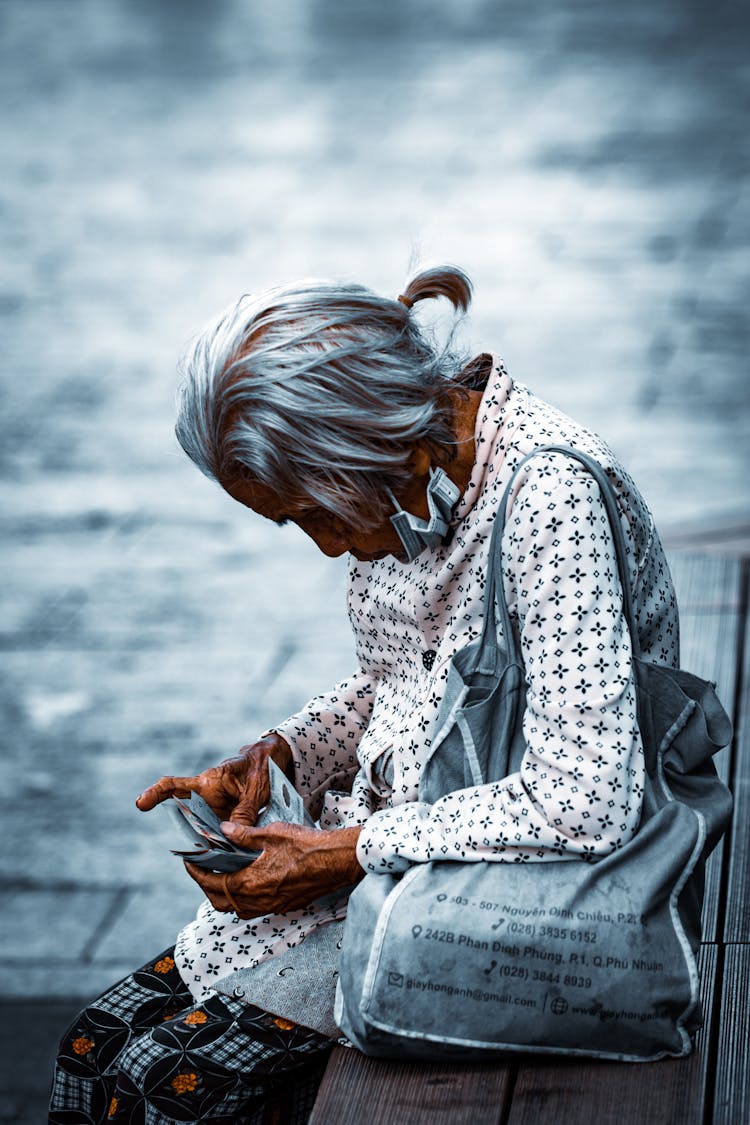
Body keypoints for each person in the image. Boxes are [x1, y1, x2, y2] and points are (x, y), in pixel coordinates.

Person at [50, 266, 679, 1122]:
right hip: (399, 860)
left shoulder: (549, 499)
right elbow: (408, 677)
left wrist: (343, 850)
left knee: (154, 1093)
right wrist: (282, 752)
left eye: (314, 513)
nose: (325, 546)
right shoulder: (421, 478)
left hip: (500, 904)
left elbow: (587, 802)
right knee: (91, 1050)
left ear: (365, 444)